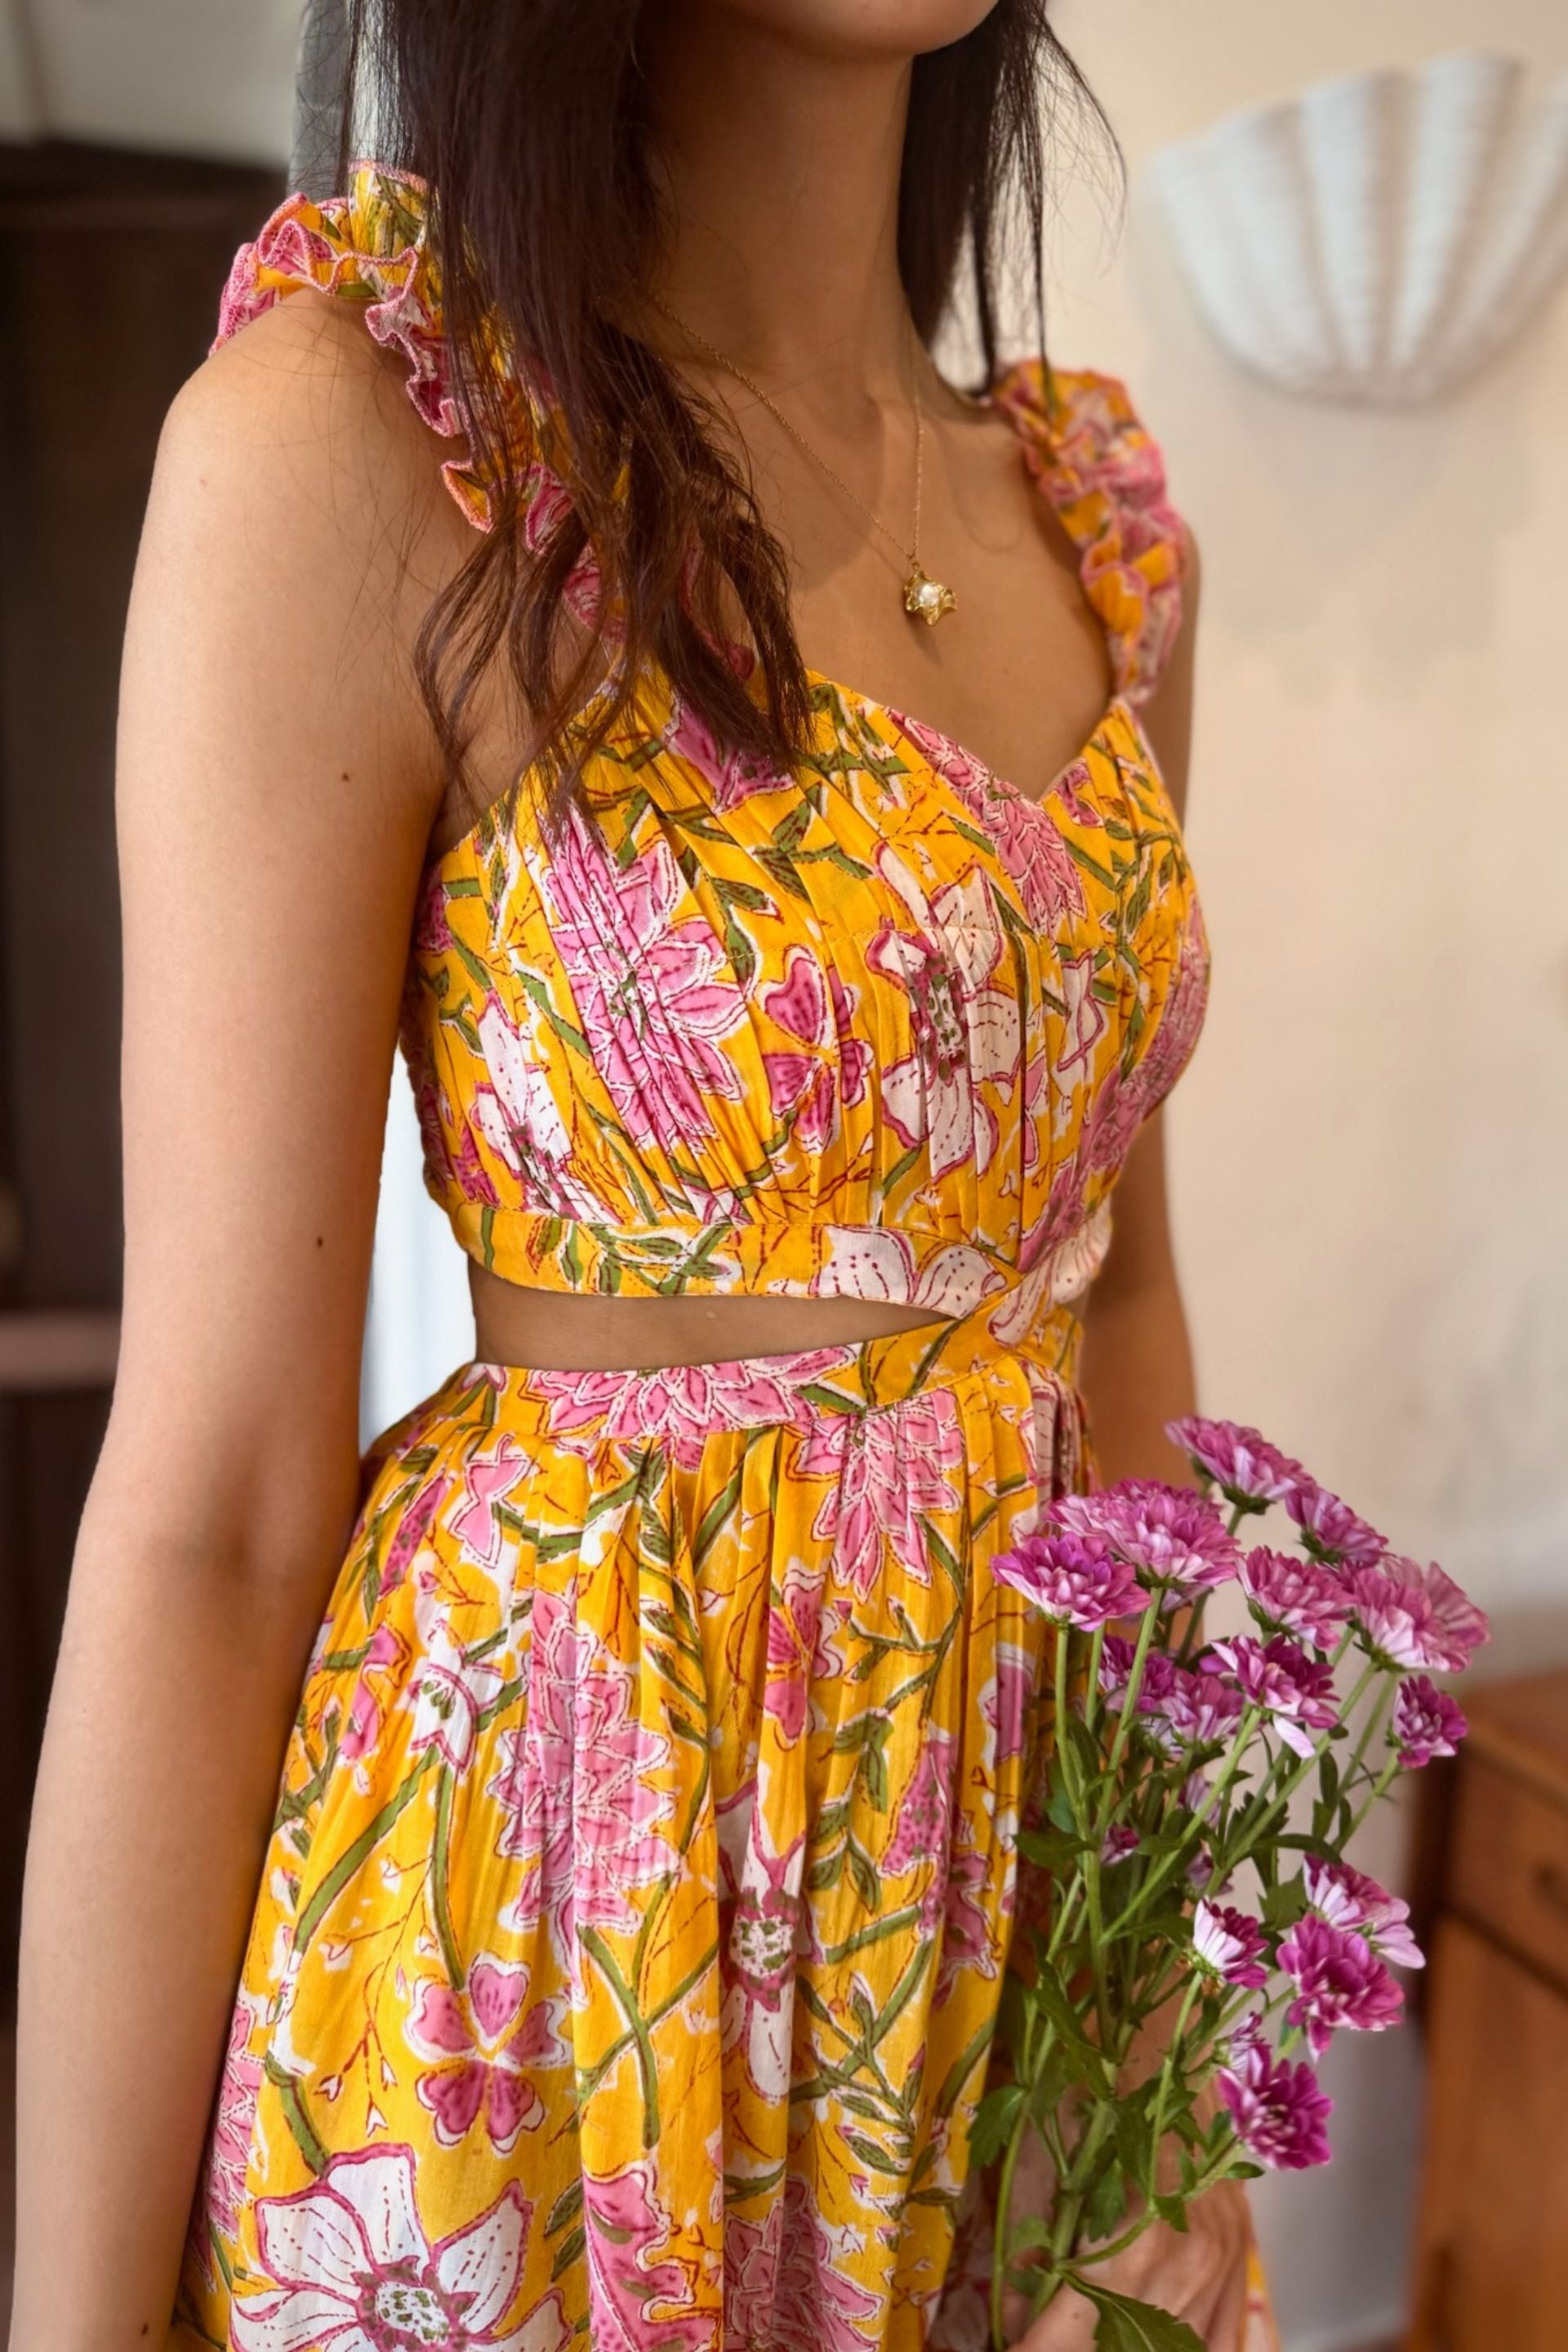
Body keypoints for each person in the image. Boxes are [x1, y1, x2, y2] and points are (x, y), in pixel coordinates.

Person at [11, 3, 1274, 2346]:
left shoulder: (1093, 527)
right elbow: (211, 1505)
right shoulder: (375, 437)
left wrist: (1157, 1998)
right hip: (553, 1979)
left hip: (1007, 1961)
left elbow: (1110, 1314)